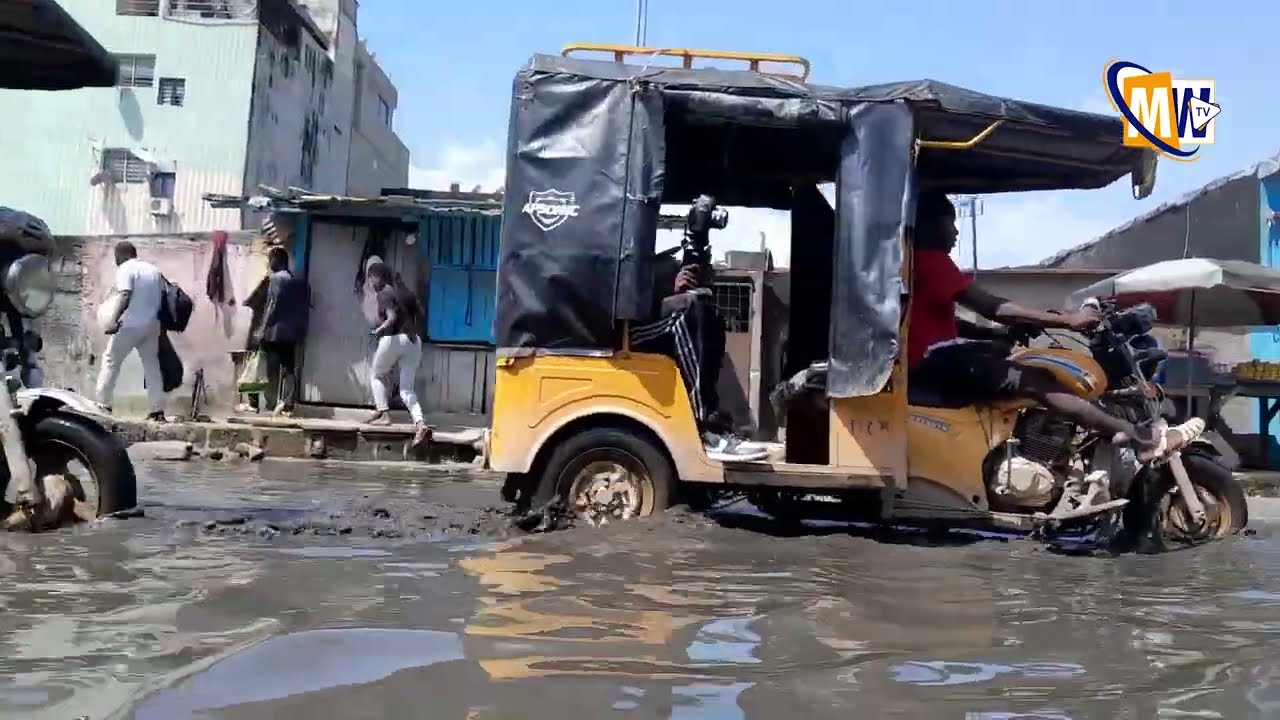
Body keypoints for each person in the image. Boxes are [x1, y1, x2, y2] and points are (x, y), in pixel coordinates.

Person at [908, 191, 1201, 460]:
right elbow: (993, 307)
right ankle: (1141, 438)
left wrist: (993, 334)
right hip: (935, 363)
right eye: (950, 223)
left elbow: (944, 319)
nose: (955, 232)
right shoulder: (931, 260)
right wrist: (1069, 320)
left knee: (1007, 357)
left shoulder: (914, 263)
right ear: (929, 225)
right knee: (1038, 380)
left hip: (934, 359)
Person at [630, 263, 771, 462]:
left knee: (707, 311)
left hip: (647, 320)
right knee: (689, 310)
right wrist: (668, 288)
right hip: (625, 331)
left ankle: (717, 424)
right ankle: (704, 428)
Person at [95, 241, 167, 422]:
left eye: (116, 257)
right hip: (151, 325)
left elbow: (125, 294)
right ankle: (157, 411)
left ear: (120, 255)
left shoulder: (126, 269)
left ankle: (102, 404)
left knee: (111, 360)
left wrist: (112, 320)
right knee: (151, 366)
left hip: (130, 324)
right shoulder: (153, 270)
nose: (116, 261)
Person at [366, 262, 429, 445]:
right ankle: (420, 423)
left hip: (393, 338)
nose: (370, 281)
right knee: (406, 389)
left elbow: (391, 318)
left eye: (371, 277)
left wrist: (378, 330)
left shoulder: (384, 293)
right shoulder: (405, 293)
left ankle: (384, 413)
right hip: (413, 340)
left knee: (376, 375)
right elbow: (421, 313)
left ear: (379, 277)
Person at [245, 247, 310, 416]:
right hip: (292, 333)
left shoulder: (276, 279)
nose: (269, 263)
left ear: (278, 260)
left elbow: (271, 306)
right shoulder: (298, 281)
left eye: (270, 259)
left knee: (267, 367)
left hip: (275, 332)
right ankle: (288, 405)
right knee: (289, 369)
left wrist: (262, 329)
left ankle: (269, 403)